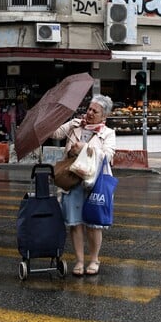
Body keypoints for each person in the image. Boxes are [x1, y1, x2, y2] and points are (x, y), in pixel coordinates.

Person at [51, 94, 116, 276]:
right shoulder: (75, 126)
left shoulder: (108, 134)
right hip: (72, 181)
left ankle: (94, 259)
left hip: (94, 182)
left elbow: (108, 156)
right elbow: (54, 133)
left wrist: (85, 149)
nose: (90, 113)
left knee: (93, 224)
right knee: (75, 222)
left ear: (104, 116)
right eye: (89, 109)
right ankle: (79, 261)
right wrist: (65, 122)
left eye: (95, 111)